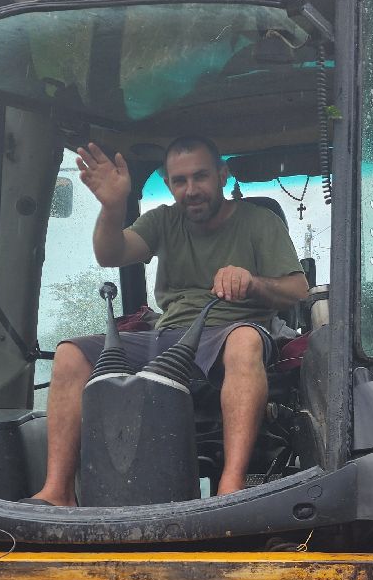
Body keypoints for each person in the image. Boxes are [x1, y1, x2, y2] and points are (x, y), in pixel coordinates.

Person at [31, 135, 310, 505]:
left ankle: (231, 489)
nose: (191, 189)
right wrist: (113, 207)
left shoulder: (258, 223)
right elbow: (110, 253)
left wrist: (252, 282)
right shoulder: (163, 220)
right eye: (180, 181)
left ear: (222, 175)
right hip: (165, 337)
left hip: (227, 334)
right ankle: (57, 492)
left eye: (201, 177)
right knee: (70, 354)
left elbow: (298, 290)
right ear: (169, 184)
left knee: (245, 341)